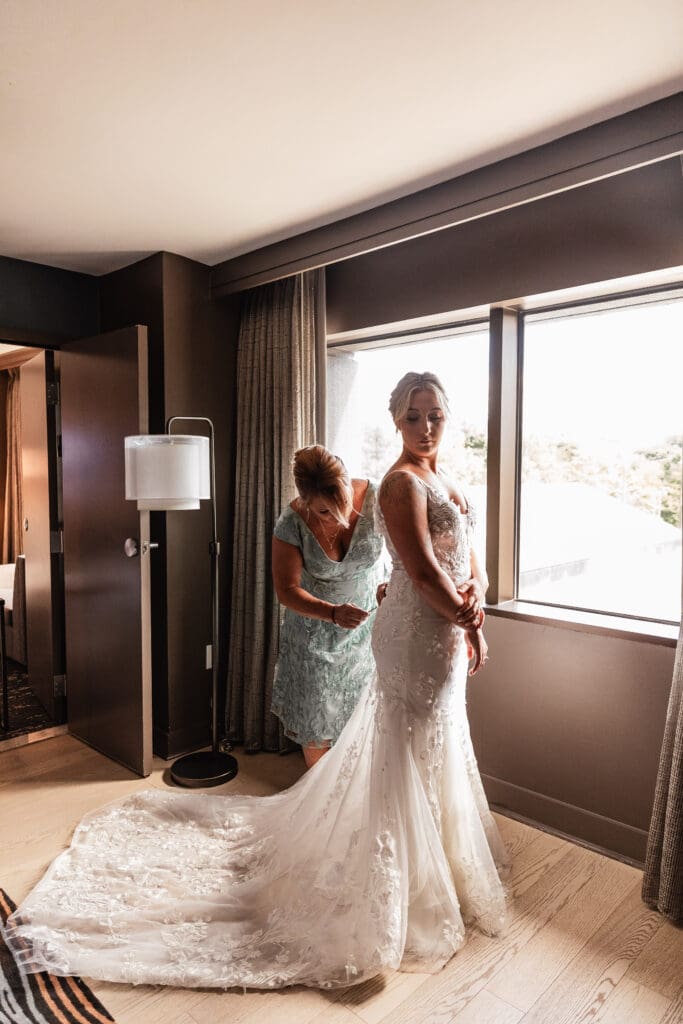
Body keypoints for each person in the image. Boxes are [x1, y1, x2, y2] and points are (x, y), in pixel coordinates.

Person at [4, 372, 507, 990]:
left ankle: (438, 862)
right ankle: (386, 866)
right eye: (413, 416)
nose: (425, 427)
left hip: (415, 628)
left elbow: (444, 564)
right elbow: (384, 574)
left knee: (426, 745)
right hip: (368, 633)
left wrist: (466, 615)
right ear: (396, 420)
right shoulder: (345, 503)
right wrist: (439, 608)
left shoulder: (410, 485)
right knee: (380, 744)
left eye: (434, 415)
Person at [271, 446, 385, 767]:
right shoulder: (290, 522)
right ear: (305, 502)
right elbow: (287, 590)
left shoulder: (381, 498)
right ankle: (321, 807)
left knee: (364, 720)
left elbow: (407, 550)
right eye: (323, 512)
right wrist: (332, 613)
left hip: (367, 630)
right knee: (318, 725)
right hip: (314, 635)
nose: (338, 517)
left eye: (344, 505)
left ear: (348, 479)